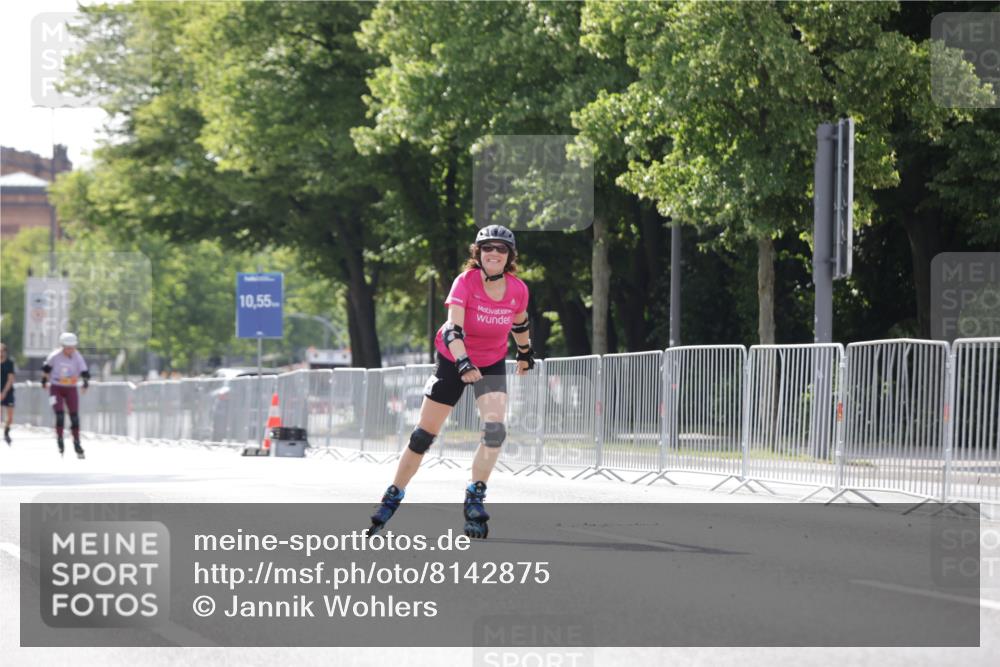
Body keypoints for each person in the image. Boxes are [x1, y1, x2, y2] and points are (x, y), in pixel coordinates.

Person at [368, 224, 535, 539]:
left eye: (501, 249)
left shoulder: (518, 289)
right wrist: (462, 362)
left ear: (510, 255)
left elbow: (520, 322)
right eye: (488, 248)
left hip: (491, 362)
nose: (494, 254)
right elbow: (451, 329)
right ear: (478, 253)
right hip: (453, 360)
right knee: (423, 436)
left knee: (495, 430)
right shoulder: (465, 282)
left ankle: (475, 496)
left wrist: (525, 353)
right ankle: (393, 495)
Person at [41, 332, 90, 458]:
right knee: (60, 415)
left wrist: (85, 383)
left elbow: (84, 371)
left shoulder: (77, 356)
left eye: (73, 347)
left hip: (71, 388)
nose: (70, 350)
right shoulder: (55, 356)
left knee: (74, 417)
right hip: (56, 387)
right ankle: (60, 438)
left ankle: (77, 443)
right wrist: (44, 381)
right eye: (68, 348)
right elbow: (46, 369)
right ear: (62, 346)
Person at [1, 343, 14, 445]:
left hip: (8, 392)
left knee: (10, 417)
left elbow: (10, 379)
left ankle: (6, 432)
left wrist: (4, 392)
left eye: (2, 351)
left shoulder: (9, 363)